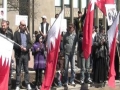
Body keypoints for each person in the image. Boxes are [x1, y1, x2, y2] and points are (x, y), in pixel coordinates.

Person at [14, 20, 32, 90]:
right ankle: (18, 84)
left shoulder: (27, 34)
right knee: (18, 70)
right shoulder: (16, 34)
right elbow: (14, 44)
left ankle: (27, 84)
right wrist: (19, 47)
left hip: (26, 55)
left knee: (26, 70)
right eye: (23, 25)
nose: (24, 26)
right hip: (19, 54)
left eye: (25, 25)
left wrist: (26, 48)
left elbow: (30, 44)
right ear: (20, 25)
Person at [0, 20, 13, 90]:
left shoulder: (10, 34)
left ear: (7, 26)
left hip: (7, 57)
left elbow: (13, 44)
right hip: (0, 57)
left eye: (4, 25)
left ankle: (8, 87)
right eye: (2, 25)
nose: (3, 27)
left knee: (8, 72)